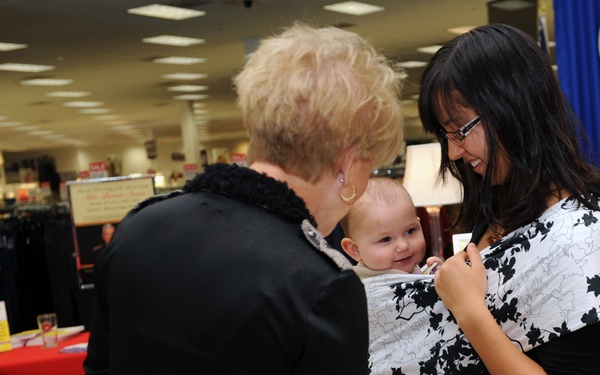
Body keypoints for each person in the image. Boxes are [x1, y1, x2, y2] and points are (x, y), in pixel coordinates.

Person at [83, 22, 404, 375]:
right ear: (349, 160)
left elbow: (100, 366)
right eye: (370, 166)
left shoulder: (139, 227)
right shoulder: (319, 285)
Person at [418, 24, 600, 374]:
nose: (453, 152)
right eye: (445, 135)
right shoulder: (496, 210)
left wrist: (469, 311)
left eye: (460, 130)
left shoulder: (582, 235)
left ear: (514, 108)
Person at [340, 177, 442, 280]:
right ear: (355, 250)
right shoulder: (360, 290)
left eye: (410, 231)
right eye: (385, 239)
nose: (403, 246)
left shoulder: (409, 272)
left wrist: (435, 275)